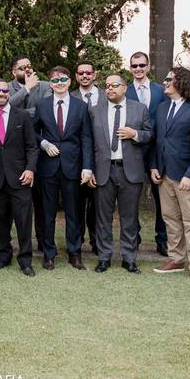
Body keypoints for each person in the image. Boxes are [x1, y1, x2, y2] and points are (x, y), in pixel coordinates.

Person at [151, 67, 190, 285]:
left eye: (169, 79)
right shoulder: (162, 108)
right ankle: (176, 259)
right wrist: (154, 166)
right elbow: (158, 140)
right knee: (170, 219)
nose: (165, 82)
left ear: (181, 82)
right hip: (164, 175)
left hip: (187, 177)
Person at [87, 74, 153, 274]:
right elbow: (88, 142)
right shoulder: (95, 110)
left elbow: (150, 134)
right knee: (102, 217)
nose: (110, 89)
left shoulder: (139, 108)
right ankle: (104, 257)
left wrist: (135, 134)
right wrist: (89, 169)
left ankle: (129, 258)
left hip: (129, 170)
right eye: (107, 86)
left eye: (114, 85)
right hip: (103, 170)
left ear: (124, 87)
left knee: (129, 217)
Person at [0, 79, 39, 276]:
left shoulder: (22, 116)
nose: (1, 93)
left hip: (20, 178)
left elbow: (32, 146)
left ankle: (25, 260)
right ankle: (4, 256)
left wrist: (30, 169)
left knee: (23, 222)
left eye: (4, 90)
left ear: (9, 93)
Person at [32, 66, 93, 270]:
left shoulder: (81, 106)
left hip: (72, 167)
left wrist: (87, 167)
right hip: (47, 167)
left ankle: (74, 253)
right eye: (55, 80)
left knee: (73, 213)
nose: (59, 83)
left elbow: (86, 138)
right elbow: (32, 132)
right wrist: (44, 143)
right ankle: (49, 254)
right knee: (47, 214)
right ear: (50, 84)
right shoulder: (41, 105)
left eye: (63, 80)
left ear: (69, 81)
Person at [125, 51, 169, 256]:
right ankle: (134, 237)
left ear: (148, 66)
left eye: (142, 65)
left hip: (157, 151)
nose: (138, 69)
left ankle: (162, 239)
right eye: (134, 66)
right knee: (131, 198)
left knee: (162, 199)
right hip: (133, 149)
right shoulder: (125, 91)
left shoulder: (161, 91)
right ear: (130, 68)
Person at [7, 56, 52, 252]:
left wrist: (20, 113)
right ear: (13, 72)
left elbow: (46, 111)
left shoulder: (45, 86)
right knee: (13, 201)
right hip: (13, 152)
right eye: (21, 67)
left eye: (29, 66)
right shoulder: (6, 88)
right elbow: (6, 108)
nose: (26, 70)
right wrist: (26, 89)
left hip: (39, 150)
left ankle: (42, 240)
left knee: (41, 201)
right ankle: (7, 243)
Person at [70, 60, 106, 255]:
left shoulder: (107, 95)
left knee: (98, 206)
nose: (85, 76)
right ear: (76, 76)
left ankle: (96, 241)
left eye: (88, 73)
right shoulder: (69, 97)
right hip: (76, 160)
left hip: (102, 159)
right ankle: (76, 242)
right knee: (76, 204)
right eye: (81, 73)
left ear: (94, 75)